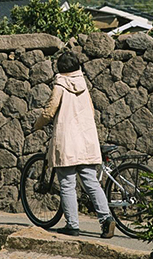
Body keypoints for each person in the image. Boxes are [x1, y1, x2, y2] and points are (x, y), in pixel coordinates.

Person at [33, 51, 116, 239]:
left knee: (67, 184)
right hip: (86, 140)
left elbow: (49, 111)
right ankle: (106, 219)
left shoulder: (60, 85)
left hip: (67, 142)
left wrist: (37, 125)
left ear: (60, 69)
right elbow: (91, 111)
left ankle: (72, 225)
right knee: (91, 182)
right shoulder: (84, 86)